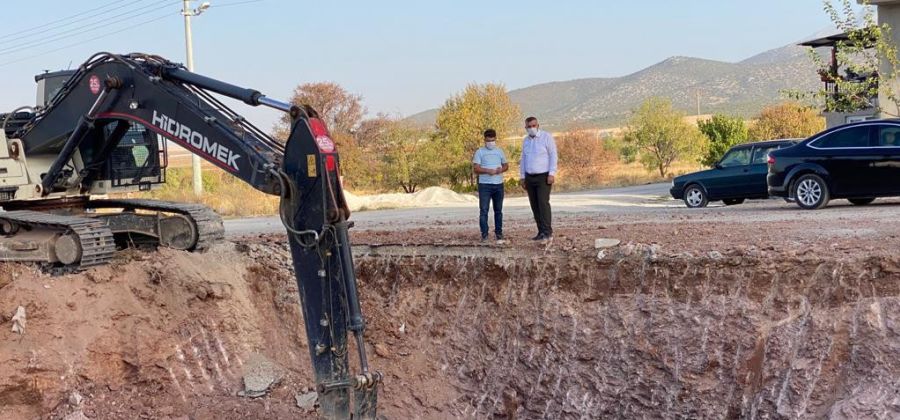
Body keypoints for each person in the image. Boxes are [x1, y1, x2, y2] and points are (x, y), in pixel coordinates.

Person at [519, 116, 557, 241]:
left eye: (533, 126)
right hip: (530, 177)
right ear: (526, 128)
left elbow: (553, 155)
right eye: (529, 127)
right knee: (534, 205)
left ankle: (547, 231)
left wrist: (552, 173)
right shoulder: (526, 141)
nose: (531, 128)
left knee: (543, 203)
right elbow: (523, 159)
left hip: (543, 176)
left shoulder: (546, 137)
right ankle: (540, 231)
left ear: (538, 126)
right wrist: (523, 177)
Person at [472, 129, 508, 242]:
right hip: (485, 186)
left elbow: (506, 165)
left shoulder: (499, 151)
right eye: (488, 141)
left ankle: (499, 233)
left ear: (495, 139)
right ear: (484, 140)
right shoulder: (480, 152)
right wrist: (487, 171)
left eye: (492, 140)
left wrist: (500, 169)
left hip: (498, 185)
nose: (490, 143)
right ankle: (484, 234)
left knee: (498, 210)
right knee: (484, 211)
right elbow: (476, 168)